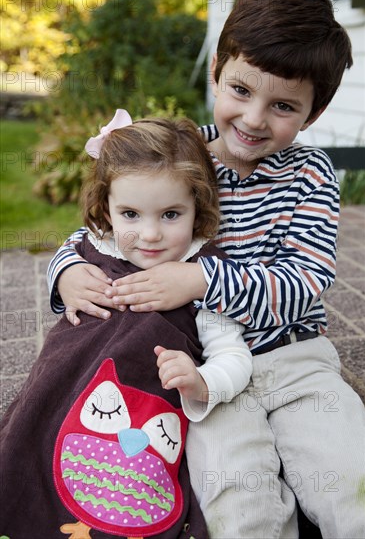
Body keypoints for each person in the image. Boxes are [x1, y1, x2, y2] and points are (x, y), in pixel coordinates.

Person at [46, 0, 365, 537]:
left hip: (296, 360)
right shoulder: (180, 153)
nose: (254, 119)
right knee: (235, 500)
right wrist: (67, 270)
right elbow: (103, 226)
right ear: (216, 70)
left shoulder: (311, 173)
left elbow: (306, 280)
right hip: (203, 376)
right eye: (240, 90)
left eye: (284, 106)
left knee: (350, 484)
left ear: (315, 111)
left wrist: (196, 278)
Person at [0, 112, 252, 539]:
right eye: (131, 214)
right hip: (61, 383)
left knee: (125, 496)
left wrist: (202, 380)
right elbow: (66, 264)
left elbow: (234, 355)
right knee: (26, 450)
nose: (150, 234)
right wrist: (64, 276)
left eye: (171, 214)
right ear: (107, 209)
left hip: (135, 419)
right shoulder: (90, 247)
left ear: (198, 207)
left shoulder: (202, 274)